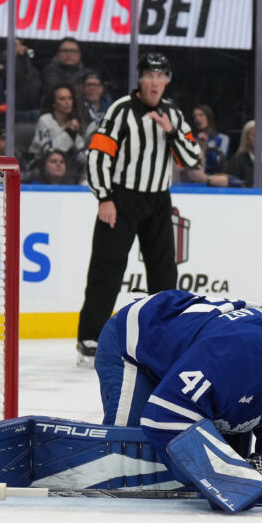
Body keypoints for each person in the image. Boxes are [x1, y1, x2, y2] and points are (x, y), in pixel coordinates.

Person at [94, 291, 262, 509]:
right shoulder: (230, 354)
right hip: (136, 341)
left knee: (229, 453)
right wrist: (223, 476)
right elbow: (165, 418)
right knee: (127, 456)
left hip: (197, 348)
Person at [76, 53, 201, 363]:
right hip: (122, 198)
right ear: (140, 79)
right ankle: (89, 337)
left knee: (163, 271)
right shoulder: (120, 110)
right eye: (150, 76)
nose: (156, 82)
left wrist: (170, 131)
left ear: (168, 81)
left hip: (158, 200)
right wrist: (104, 196)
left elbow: (190, 157)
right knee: (107, 267)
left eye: (162, 76)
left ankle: (165, 336)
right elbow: (98, 155)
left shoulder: (173, 113)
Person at [26, 83, 87, 182]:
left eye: (69, 98)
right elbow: (49, 151)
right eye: (62, 99)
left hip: (67, 168)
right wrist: (70, 133)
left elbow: (81, 149)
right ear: (54, 103)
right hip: (40, 169)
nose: (67, 102)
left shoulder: (75, 123)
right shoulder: (45, 120)